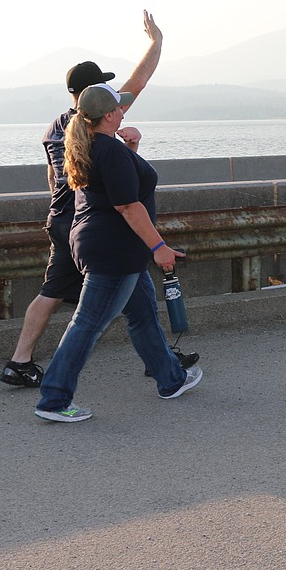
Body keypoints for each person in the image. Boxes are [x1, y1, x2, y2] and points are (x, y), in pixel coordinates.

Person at [0, 10, 197, 388]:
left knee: (56, 291)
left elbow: (53, 177)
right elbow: (137, 84)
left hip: (62, 219)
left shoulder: (56, 129)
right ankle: (68, 387)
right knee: (99, 312)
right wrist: (156, 43)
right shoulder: (95, 123)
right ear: (97, 97)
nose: (117, 98)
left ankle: (20, 360)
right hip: (96, 222)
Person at [35, 82, 202, 422]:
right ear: (110, 114)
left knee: (142, 315)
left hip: (112, 246)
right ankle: (53, 400)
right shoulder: (108, 150)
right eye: (120, 106)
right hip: (114, 249)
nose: (124, 109)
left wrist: (133, 148)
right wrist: (159, 247)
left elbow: (122, 186)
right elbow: (128, 204)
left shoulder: (97, 145)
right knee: (87, 324)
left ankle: (171, 379)